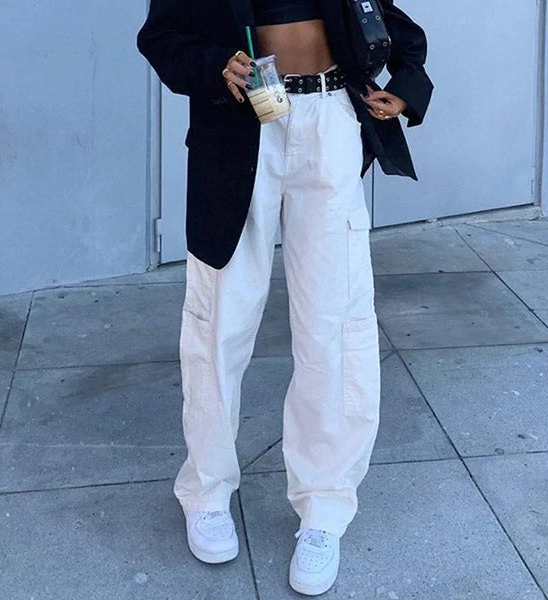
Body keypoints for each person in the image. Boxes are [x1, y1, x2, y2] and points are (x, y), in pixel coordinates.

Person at [137, 0, 432, 595]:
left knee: (335, 321)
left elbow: (389, 21)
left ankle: (325, 506)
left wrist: (407, 86)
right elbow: (161, 37)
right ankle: (206, 491)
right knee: (219, 319)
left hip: (330, 118)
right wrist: (214, 65)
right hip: (237, 126)